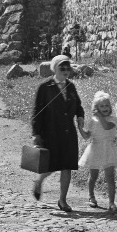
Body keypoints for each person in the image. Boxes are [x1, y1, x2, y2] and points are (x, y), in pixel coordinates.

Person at [31, 55, 85, 212]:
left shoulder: (71, 87)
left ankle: (62, 200)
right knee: (52, 165)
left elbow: (78, 106)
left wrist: (80, 117)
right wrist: (36, 133)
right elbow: (36, 111)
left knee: (66, 166)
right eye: (62, 67)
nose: (66, 70)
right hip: (51, 132)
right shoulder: (44, 87)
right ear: (54, 68)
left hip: (68, 134)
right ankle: (39, 182)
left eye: (68, 67)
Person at [79, 91, 117, 213]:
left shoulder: (113, 119)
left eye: (107, 105)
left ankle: (112, 203)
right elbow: (87, 136)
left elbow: (107, 126)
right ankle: (91, 196)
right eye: (102, 106)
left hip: (108, 149)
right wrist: (80, 128)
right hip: (95, 148)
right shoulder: (93, 121)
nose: (105, 108)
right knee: (93, 176)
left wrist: (101, 117)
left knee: (110, 177)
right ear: (96, 108)